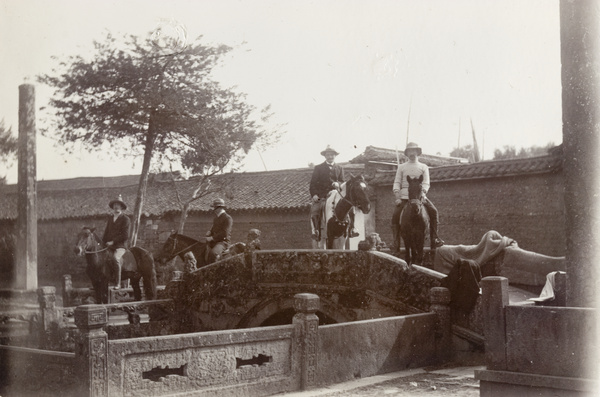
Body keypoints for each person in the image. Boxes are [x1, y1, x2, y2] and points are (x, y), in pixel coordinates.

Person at [392, 142, 444, 252]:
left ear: (417, 152)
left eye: (414, 151)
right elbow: (397, 182)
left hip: (419, 197)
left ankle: (434, 238)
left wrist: (423, 194)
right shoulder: (401, 167)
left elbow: (426, 183)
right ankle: (395, 241)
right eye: (410, 151)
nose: (412, 153)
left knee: (434, 211)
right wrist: (397, 196)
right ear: (407, 153)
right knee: (395, 215)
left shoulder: (423, 167)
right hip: (405, 198)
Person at [309, 145, 358, 246]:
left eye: (332, 155)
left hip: (337, 193)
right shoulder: (318, 168)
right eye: (328, 155)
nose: (330, 157)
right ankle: (316, 231)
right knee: (315, 210)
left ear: (335, 156)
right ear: (325, 156)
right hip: (323, 195)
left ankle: (352, 228)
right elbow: (313, 184)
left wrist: (338, 184)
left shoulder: (339, 168)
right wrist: (314, 194)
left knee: (351, 208)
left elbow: (342, 181)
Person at [102, 194, 131, 289]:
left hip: (120, 246)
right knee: (101, 259)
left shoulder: (125, 219)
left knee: (115, 258)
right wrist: (102, 243)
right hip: (110, 246)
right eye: (114, 205)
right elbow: (106, 232)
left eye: (118, 205)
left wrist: (113, 242)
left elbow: (125, 235)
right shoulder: (110, 219)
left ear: (122, 207)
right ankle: (102, 282)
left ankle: (117, 283)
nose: (116, 206)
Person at [202, 198, 233, 265]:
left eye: (215, 207)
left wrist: (212, 238)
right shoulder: (216, 218)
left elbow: (225, 233)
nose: (214, 209)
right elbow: (213, 229)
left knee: (213, 254)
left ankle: (214, 272)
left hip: (223, 242)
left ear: (220, 208)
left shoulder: (227, 218)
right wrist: (210, 232)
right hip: (214, 241)